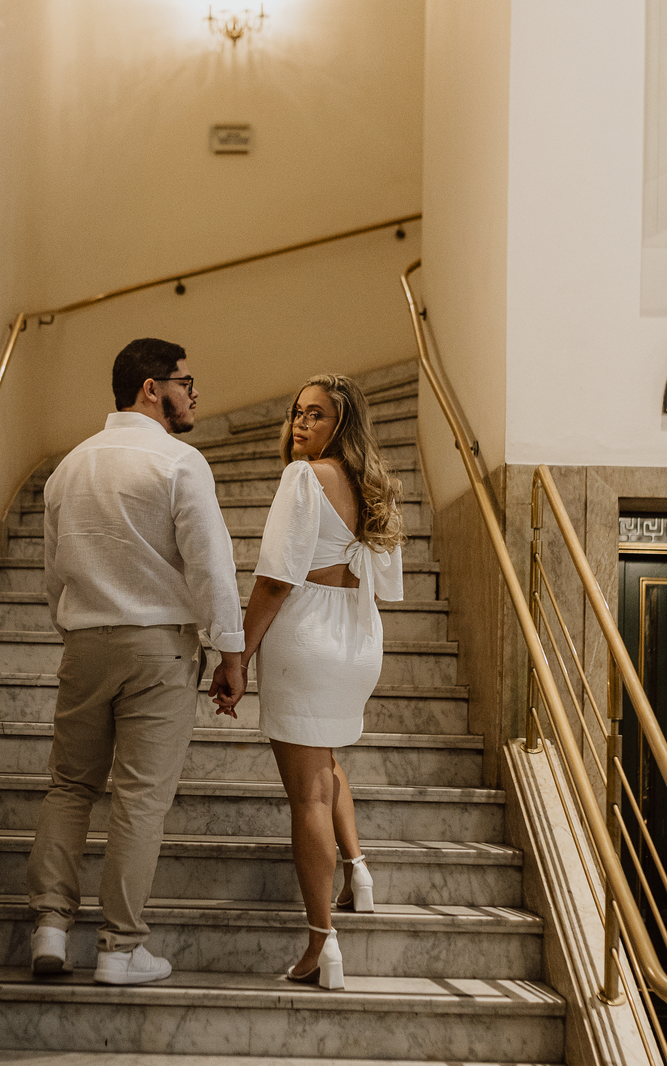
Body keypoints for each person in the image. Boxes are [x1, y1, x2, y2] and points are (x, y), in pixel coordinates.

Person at [27, 338, 246, 984]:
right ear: (152, 388)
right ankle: (119, 950)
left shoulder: (69, 467)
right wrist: (230, 651)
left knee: (70, 787)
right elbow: (210, 565)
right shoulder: (179, 462)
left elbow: (53, 574)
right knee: (141, 800)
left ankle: (49, 927)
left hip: (85, 644)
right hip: (157, 647)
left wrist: (75, 628)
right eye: (186, 382)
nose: (194, 395)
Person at [211, 374, 403, 989]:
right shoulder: (375, 489)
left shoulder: (304, 478)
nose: (300, 422)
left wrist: (238, 656)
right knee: (325, 764)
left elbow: (275, 579)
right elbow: (383, 582)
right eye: (297, 411)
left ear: (342, 424)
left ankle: (323, 945)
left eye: (316, 415)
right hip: (357, 637)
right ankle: (358, 869)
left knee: (308, 796)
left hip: (308, 635)